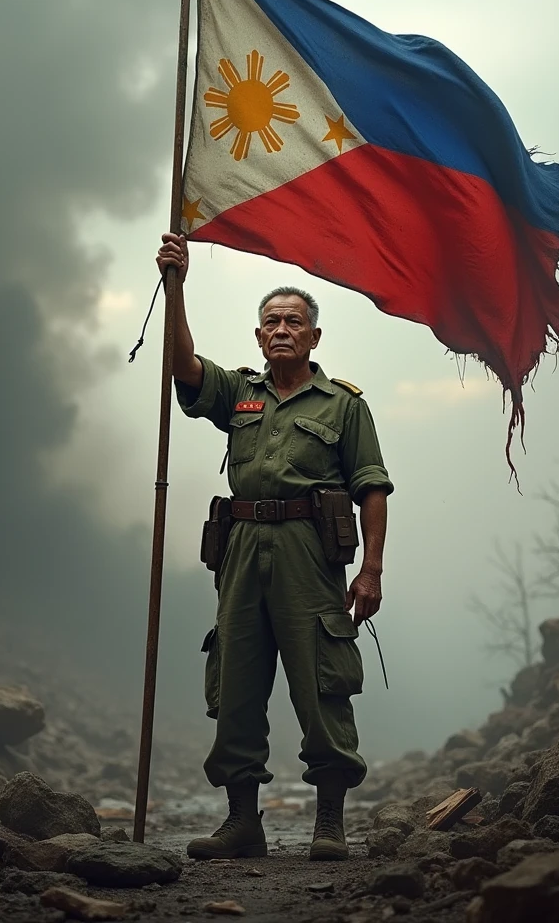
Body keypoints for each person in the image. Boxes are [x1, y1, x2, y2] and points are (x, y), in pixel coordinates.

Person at [156, 232, 394, 861]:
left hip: (308, 554)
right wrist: (175, 283)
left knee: (323, 681)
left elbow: (372, 486)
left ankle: (330, 826)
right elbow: (184, 369)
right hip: (239, 551)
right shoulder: (240, 392)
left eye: (294, 321)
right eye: (271, 322)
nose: (281, 329)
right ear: (259, 337)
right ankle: (242, 823)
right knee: (235, 679)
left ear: (314, 337)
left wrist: (370, 569)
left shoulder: (343, 406)